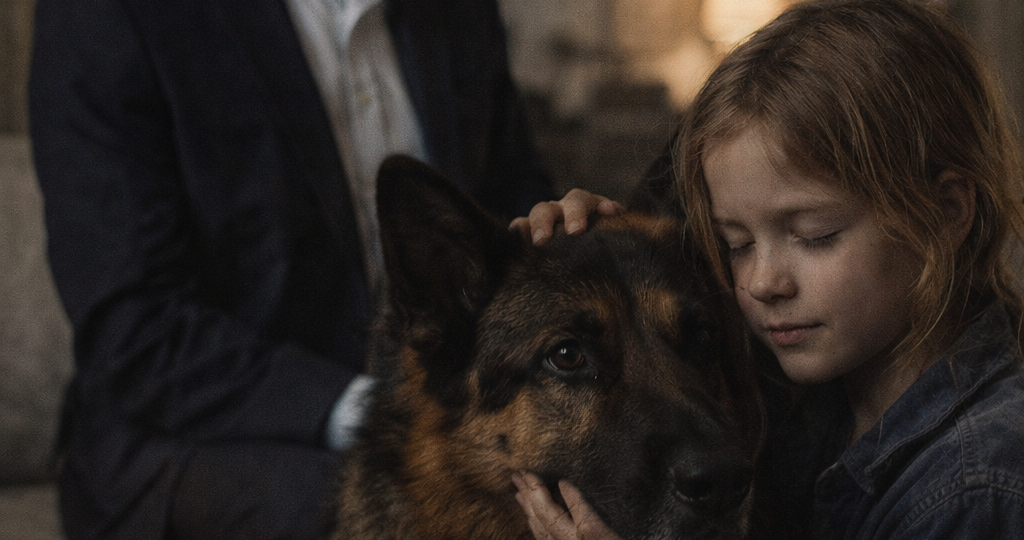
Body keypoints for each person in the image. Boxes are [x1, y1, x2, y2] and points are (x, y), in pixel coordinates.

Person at [28, 0, 553, 538]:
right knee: (394, 512)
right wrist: (372, 409)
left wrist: (571, 234)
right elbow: (135, 333)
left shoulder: (459, 13)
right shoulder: (107, 14)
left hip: (440, 415)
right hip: (190, 437)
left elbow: (520, 213)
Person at [511, 0, 1024, 538]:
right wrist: (615, 241)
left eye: (814, 236)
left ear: (944, 213)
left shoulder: (977, 490)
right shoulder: (815, 380)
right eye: (736, 243)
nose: (762, 283)